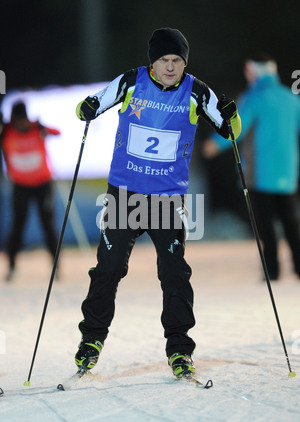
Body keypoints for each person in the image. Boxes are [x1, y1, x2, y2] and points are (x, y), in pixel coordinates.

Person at [74, 27, 241, 378]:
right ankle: (91, 340)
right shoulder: (131, 81)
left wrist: (231, 112)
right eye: (164, 60)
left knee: (175, 273)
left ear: (184, 62)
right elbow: (85, 109)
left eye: (177, 60)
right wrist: (87, 108)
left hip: (167, 199)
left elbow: (232, 131)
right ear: (152, 62)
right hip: (125, 194)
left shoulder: (196, 90)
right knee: (109, 267)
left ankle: (180, 349)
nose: (170, 66)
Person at [203, 53, 300, 281]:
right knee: (290, 222)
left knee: (265, 225)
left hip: (260, 173)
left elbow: (237, 128)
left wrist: (213, 145)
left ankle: (272, 271)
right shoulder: (291, 98)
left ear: (252, 72)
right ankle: (298, 267)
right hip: (288, 172)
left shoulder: (253, 98)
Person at [0, 101, 60, 281]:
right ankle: (11, 266)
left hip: (43, 184)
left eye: (23, 120)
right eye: (17, 121)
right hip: (21, 186)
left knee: (48, 225)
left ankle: (56, 266)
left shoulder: (37, 128)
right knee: (18, 225)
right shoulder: (6, 133)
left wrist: (44, 130)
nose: (20, 124)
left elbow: (57, 132)